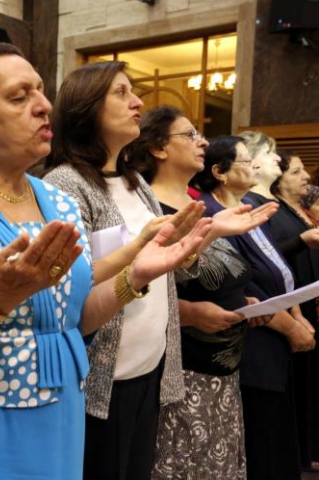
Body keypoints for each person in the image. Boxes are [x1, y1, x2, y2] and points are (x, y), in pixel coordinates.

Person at [0, 43, 209, 479]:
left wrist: (137, 274)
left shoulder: (55, 201)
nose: (43, 106)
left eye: (40, 91)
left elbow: (73, 320)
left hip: (56, 415)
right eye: (19, 97)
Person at [44, 61, 207, 480]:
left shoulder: (136, 180)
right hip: (101, 378)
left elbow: (160, 262)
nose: (137, 102)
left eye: (133, 91)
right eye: (121, 93)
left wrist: (189, 248)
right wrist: (138, 264)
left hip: (148, 367)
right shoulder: (67, 184)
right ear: (86, 108)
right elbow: (74, 286)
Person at [127, 106, 278, 479]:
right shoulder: (147, 210)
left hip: (224, 373)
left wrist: (243, 302)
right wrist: (192, 313)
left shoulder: (202, 206)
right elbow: (136, 286)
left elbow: (218, 274)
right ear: (160, 149)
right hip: (182, 373)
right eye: (190, 135)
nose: (204, 142)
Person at [192, 136, 314, 480]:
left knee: (278, 433)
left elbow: (277, 268)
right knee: (262, 439)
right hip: (254, 338)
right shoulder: (211, 213)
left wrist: (296, 313)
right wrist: (289, 325)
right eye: (245, 161)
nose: (255, 166)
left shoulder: (250, 205)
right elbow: (244, 285)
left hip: (278, 329)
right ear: (219, 172)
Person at [268, 152, 319, 472]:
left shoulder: (298, 209)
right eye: (297, 172)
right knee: (302, 381)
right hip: (293, 302)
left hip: (308, 299)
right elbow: (277, 254)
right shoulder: (273, 210)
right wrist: (303, 238)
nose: (306, 178)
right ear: (280, 178)